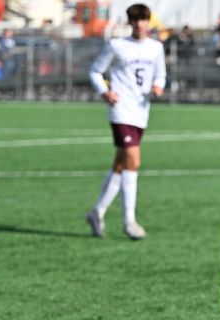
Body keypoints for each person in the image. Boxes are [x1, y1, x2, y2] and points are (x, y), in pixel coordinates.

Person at [86, 3, 166, 239]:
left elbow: (160, 74)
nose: (140, 24)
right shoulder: (117, 45)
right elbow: (95, 71)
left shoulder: (155, 48)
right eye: (135, 19)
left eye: (143, 19)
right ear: (129, 22)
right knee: (134, 159)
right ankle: (129, 221)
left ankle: (97, 212)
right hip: (120, 109)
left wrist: (158, 86)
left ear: (148, 21)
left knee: (121, 165)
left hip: (141, 111)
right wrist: (105, 91)